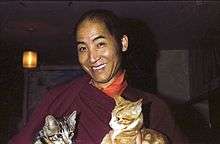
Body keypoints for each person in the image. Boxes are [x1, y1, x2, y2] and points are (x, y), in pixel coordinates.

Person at [10, 9, 188, 144]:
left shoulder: (153, 107)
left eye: (100, 44)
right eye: (82, 48)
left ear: (122, 43)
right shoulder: (59, 97)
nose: (92, 58)